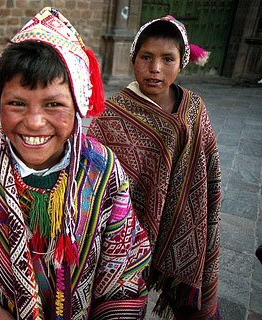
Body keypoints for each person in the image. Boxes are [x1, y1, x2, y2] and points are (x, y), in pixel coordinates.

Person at [0, 7, 151, 319]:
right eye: (17, 104)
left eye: (54, 104)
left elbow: (123, 266)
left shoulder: (102, 171)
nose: (35, 122)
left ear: (78, 105)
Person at [87, 16, 221, 319]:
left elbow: (209, 171)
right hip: (130, 232)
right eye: (146, 57)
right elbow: (94, 177)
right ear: (134, 58)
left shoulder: (195, 108)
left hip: (188, 225)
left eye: (167, 59)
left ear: (182, 62)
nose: (156, 68)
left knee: (189, 308)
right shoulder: (112, 115)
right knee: (126, 302)